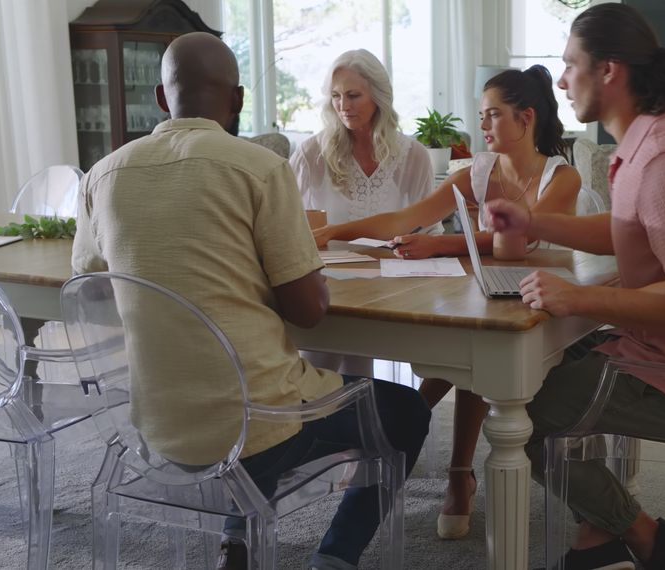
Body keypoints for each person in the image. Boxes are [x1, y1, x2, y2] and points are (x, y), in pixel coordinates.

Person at [71, 32, 430, 570]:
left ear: (161, 98)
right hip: (258, 420)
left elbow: (92, 276)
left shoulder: (102, 174)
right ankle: (334, 557)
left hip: (155, 422)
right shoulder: (259, 169)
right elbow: (308, 310)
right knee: (406, 412)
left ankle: (235, 541)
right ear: (237, 100)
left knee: (246, 394)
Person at [483, 5, 665, 570]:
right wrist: (532, 221)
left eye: (570, 65)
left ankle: (643, 533)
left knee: (525, 412)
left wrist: (578, 297)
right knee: (540, 368)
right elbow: (628, 231)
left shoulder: (664, 160)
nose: (560, 80)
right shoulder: (648, 142)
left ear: (609, 71)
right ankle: (597, 531)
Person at [315, 65, 581, 540]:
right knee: (467, 334)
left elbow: (513, 245)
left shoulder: (563, 179)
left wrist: (438, 245)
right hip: (489, 288)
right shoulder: (477, 170)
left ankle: (430, 455)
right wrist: (336, 231)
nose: (481, 127)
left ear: (526, 118)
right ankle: (447, 466)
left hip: (544, 300)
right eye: (481, 116)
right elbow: (409, 216)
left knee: (477, 343)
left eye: (492, 116)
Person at [290, 49, 438, 379]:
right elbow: (287, 226)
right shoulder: (311, 154)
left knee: (364, 378)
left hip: (393, 291)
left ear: (379, 96)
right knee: (314, 377)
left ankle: (363, 422)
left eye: (354, 95)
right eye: (336, 96)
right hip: (328, 291)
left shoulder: (413, 156)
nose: (343, 105)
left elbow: (429, 232)